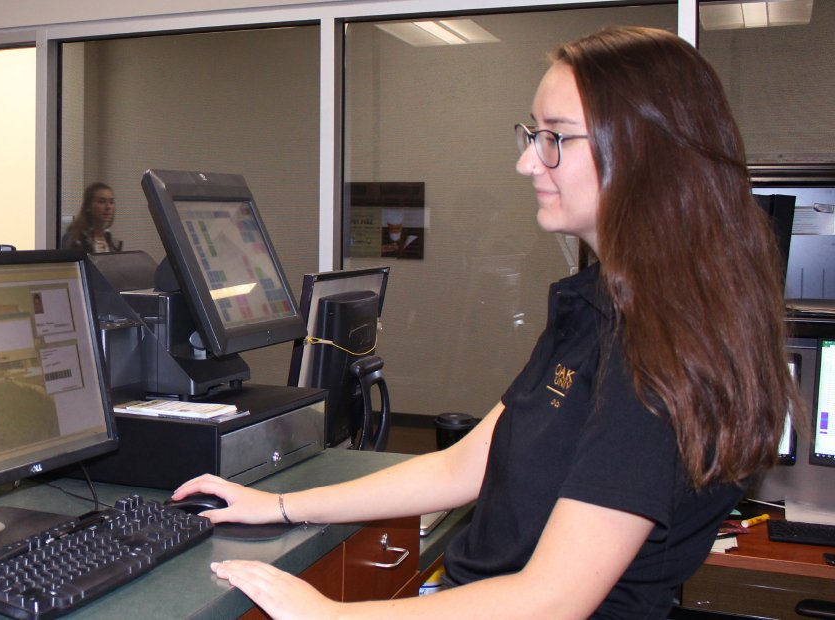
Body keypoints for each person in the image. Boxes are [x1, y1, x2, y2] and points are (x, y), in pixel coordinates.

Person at [172, 26, 796, 619]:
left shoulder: (663, 349)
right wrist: (278, 505)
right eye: (532, 133)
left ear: (641, 151)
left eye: (555, 136)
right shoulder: (599, 305)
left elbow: (553, 600)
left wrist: (328, 612)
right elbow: (465, 465)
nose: (528, 163)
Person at [61, 182, 122, 253]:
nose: (108, 207)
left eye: (111, 202)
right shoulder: (74, 239)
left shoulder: (112, 242)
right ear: (88, 206)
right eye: (101, 202)